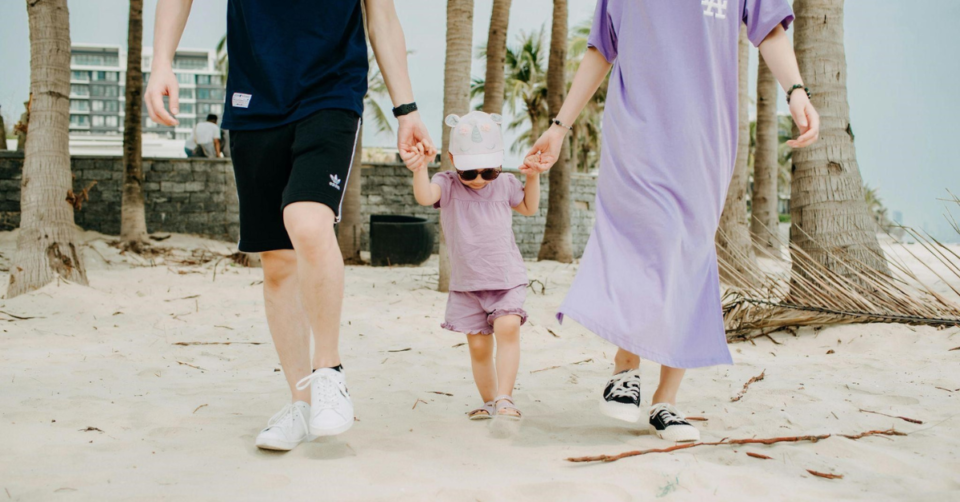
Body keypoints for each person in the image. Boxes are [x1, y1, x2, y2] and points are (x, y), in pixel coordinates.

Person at [145, 0, 436, 451]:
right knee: (277, 262)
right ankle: (300, 405)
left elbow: (381, 16)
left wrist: (407, 109)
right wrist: (161, 60)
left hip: (330, 91)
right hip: (254, 98)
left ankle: (328, 372)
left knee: (307, 219)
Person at [524, 0, 819, 442]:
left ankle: (667, 400)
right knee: (651, 237)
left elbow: (770, 29)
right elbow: (602, 50)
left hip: (706, 139)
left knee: (689, 254)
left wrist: (796, 91)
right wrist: (559, 126)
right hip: (637, 132)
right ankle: (627, 366)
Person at [405, 111, 543, 420]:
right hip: (468, 285)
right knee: (479, 348)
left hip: (506, 277)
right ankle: (490, 401)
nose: (479, 179)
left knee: (507, 327)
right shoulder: (448, 184)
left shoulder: (506, 183)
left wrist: (532, 177)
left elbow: (529, 207)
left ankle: (506, 398)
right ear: (453, 160)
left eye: (488, 171)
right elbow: (426, 197)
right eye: (470, 172)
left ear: (499, 162)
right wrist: (420, 169)